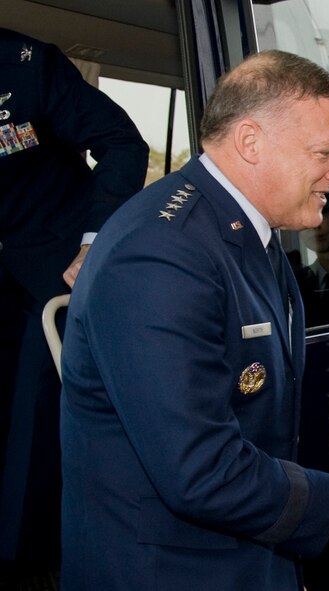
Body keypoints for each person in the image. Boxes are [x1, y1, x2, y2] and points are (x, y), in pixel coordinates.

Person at [59, 50, 329, 590]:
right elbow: (201, 469)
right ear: (251, 142)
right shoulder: (159, 252)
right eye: (325, 152)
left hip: (244, 558)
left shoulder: (246, 234)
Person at [0, 28, 148, 584]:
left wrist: (94, 243)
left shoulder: (26, 66)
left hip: (49, 272)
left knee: (31, 437)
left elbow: (122, 143)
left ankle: (23, 567)